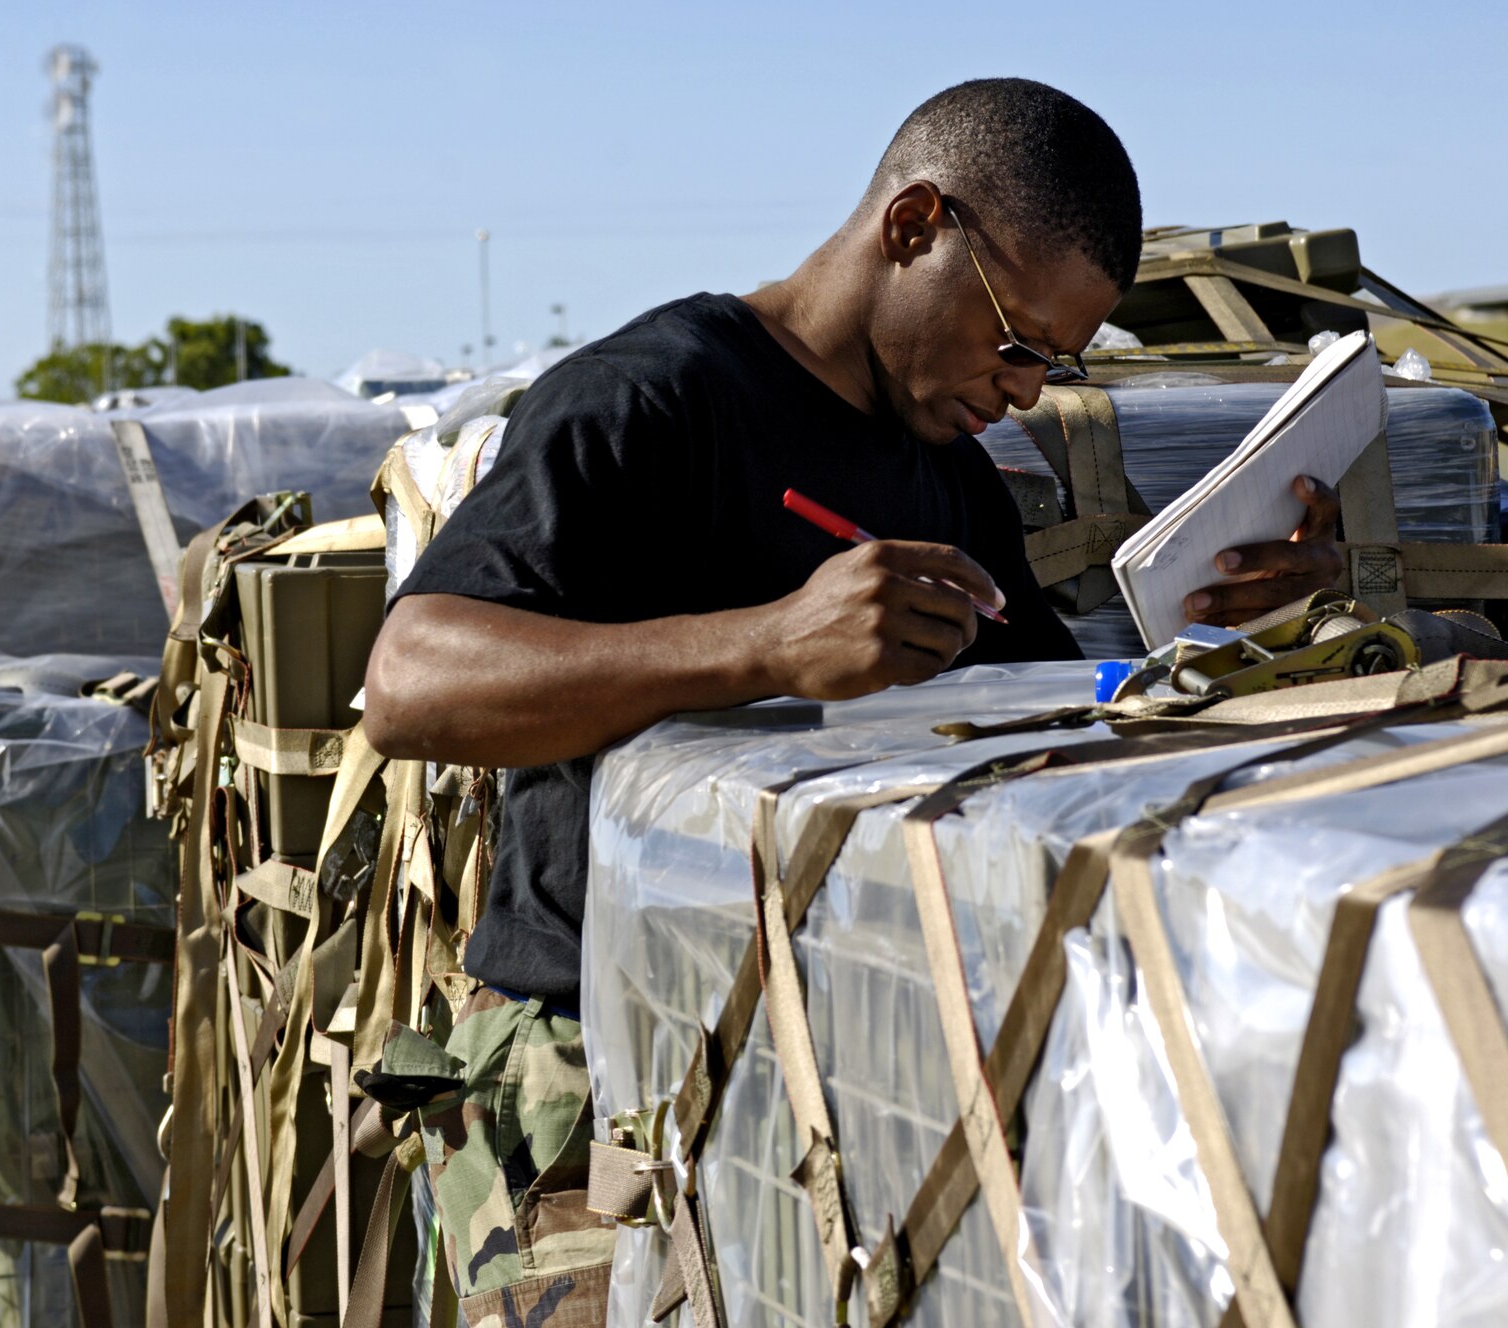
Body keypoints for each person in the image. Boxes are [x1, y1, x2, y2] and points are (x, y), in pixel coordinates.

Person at [360, 77, 1342, 1327]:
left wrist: (1214, 648)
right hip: (597, 1100)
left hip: (827, 1087)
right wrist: (768, 643)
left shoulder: (942, 472)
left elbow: (1033, 718)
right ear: (911, 224)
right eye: (1016, 339)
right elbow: (410, 684)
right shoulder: (651, 400)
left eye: (1056, 360)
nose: (1029, 388)